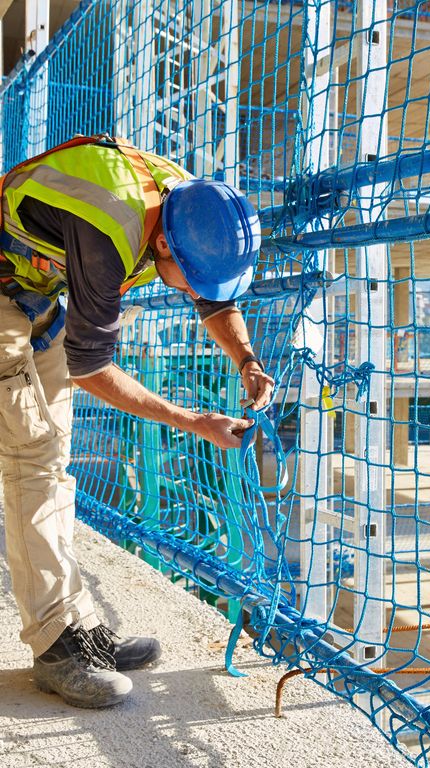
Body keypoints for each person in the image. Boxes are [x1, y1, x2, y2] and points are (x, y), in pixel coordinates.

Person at [0, 136, 274, 709]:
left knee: (50, 462)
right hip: (6, 289)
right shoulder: (110, 233)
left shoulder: (186, 207)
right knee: (32, 460)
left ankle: (73, 622)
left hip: (34, 289)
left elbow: (213, 299)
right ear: (165, 248)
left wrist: (246, 360)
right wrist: (192, 420)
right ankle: (55, 646)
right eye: (191, 278)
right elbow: (92, 368)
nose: (197, 294)